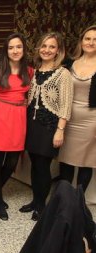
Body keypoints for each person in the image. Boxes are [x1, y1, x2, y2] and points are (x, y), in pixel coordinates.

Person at [23, 32, 73, 221]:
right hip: (32, 125)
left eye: (52, 47)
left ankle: (41, 206)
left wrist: (60, 130)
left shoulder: (63, 74)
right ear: (38, 48)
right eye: (44, 46)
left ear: (58, 50)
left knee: (43, 166)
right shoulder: (34, 71)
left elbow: (66, 105)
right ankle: (35, 201)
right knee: (34, 165)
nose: (47, 50)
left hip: (49, 126)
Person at [0, 33, 33, 221]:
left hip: (20, 117)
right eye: (11, 47)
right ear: (6, 51)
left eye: (18, 47)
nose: (15, 51)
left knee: (12, 161)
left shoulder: (30, 71)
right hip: (1, 115)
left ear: (23, 49)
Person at [59, 25, 96, 193]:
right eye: (87, 38)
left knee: (86, 162)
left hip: (92, 121)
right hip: (68, 118)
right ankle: (63, 200)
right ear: (81, 41)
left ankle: (77, 203)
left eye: (95, 40)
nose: (91, 42)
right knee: (65, 161)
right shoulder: (69, 63)